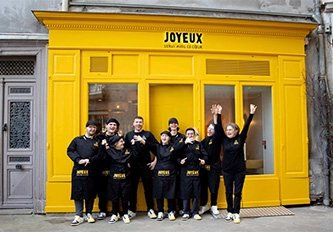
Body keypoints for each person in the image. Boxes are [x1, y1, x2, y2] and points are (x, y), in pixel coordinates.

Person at [222, 104, 257, 224]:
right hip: (227, 170)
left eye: (231, 130)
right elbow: (218, 129)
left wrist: (251, 114)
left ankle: (236, 212)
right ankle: (230, 211)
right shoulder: (224, 140)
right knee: (228, 191)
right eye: (227, 130)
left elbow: (246, 127)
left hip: (239, 170)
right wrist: (217, 114)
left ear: (236, 131)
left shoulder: (240, 139)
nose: (228, 132)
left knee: (237, 192)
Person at [125, 116, 158, 219]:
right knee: (132, 188)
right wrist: (127, 162)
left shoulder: (147, 134)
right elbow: (125, 149)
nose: (138, 124)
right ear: (133, 124)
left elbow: (157, 147)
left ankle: (151, 209)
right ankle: (132, 210)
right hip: (133, 166)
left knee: (148, 188)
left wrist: (154, 162)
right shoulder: (129, 135)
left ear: (142, 124)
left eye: (140, 122)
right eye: (137, 122)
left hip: (146, 165)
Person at [67, 120, 99, 226]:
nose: (92, 129)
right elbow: (70, 151)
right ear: (86, 128)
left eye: (94, 127)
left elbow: (100, 155)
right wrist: (78, 159)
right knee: (78, 193)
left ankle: (89, 213)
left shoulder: (97, 141)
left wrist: (90, 160)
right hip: (78, 170)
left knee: (90, 192)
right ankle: (78, 215)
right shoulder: (77, 140)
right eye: (90, 127)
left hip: (92, 170)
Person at [147, 130, 180, 221]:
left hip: (171, 171)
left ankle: (170, 211)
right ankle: (160, 211)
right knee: (159, 192)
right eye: (162, 136)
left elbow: (181, 145)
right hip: (159, 172)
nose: (164, 137)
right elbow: (147, 144)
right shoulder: (157, 147)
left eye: (166, 136)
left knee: (171, 192)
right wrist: (141, 140)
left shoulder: (173, 147)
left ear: (169, 138)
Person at [178, 127, 208, 221]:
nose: (190, 135)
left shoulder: (198, 144)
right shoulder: (181, 145)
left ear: (194, 135)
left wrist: (204, 160)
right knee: (185, 192)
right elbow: (175, 154)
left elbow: (205, 154)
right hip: (185, 171)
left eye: (192, 134)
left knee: (196, 192)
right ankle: (186, 212)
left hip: (196, 171)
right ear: (185, 135)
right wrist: (180, 161)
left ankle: (195, 212)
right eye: (188, 134)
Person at [199, 104, 223, 218]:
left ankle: (214, 205)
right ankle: (204, 205)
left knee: (214, 187)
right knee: (203, 187)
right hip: (204, 168)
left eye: (211, 129)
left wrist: (216, 115)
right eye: (208, 128)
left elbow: (218, 129)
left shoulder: (217, 139)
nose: (209, 130)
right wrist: (197, 138)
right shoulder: (205, 140)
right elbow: (199, 149)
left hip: (214, 167)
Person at [103, 135, 134, 224]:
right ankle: (114, 214)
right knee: (114, 196)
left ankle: (125, 214)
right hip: (114, 178)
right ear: (115, 144)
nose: (123, 143)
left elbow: (131, 157)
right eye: (121, 141)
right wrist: (124, 160)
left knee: (125, 196)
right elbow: (119, 159)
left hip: (126, 177)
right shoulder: (109, 151)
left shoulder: (127, 150)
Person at [95, 118, 121, 220]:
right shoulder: (100, 137)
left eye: (114, 125)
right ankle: (102, 210)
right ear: (106, 125)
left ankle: (116, 211)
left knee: (116, 189)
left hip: (114, 166)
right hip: (102, 166)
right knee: (102, 190)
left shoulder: (118, 138)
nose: (112, 126)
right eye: (110, 124)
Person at [167, 117, 186, 215]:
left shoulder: (182, 137)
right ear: (169, 125)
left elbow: (184, 149)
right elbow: (170, 150)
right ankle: (172, 209)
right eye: (171, 123)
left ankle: (182, 208)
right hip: (169, 164)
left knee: (181, 187)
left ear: (177, 125)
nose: (173, 125)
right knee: (171, 188)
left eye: (175, 123)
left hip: (181, 165)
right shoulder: (166, 136)